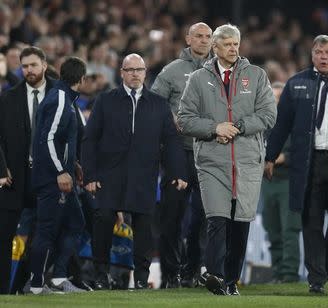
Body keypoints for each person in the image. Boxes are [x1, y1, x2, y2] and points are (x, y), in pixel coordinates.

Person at [178, 24, 277, 296]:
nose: (234, 48)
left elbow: (269, 114)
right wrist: (214, 128)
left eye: (236, 44)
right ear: (215, 47)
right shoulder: (198, 79)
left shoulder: (256, 76)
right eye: (228, 44)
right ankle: (216, 276)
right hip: (211, 161)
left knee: (240, 222)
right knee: (217, 219)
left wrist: (238, 127)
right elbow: (184, 120)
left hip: (246, 161)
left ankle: (231, 280)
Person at [82, 53, 188, 290]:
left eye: (138, 70)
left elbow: (171, 140)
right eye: (129, 70)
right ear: (121, 73)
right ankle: (100, 275)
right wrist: (89, 175)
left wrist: (178, 172)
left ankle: (141, 278)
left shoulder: (159, 105)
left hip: (143, 175)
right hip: (109, 176)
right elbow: (89, 140)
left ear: (145, 73)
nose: (134, 74)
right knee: (103, 221)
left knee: (144, 228)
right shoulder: (105, 100)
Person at [265, 35, 328, 294]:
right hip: (307, 162)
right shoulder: (296, 84)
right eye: (318, 52)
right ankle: (316, 279)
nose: (324, 56)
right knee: (311, 221)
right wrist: (270, 157)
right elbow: (281, 125)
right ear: (312, 55)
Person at [151, 22, 213, 288]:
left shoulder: (221, 70)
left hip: (210, 152)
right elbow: (153, 105)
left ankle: (192, 271)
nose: (203, 40)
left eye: (208, 37)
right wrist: (170, 119)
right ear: (188, 39)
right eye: (198, 36)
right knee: (172, 216)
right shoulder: (172, 71)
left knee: (204, 215)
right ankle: (171, 275)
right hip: (178, 153)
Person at [28, 56, 87, 294]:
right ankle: (35, 285)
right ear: (81, 79)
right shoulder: (61, 100)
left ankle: (59, 277)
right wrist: (61, 171)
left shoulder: (62, 97)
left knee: (75, 222)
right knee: (46, 229)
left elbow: (58, 139)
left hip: (60, 175)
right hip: (53, 178)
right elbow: (48, 139)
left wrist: (72, 164)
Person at [0, 46, 54, 294]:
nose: (29, 70)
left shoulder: (60, 93)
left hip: (48, 179)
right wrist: (2, 169)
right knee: (4, 237)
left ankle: (30, 285)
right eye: (24, 66)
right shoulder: (8, 97)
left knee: (46, 236)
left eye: (33, 65)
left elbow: (73, 134)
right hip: (14, 180)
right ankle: (3, 292)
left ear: (44, 64)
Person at [261, 81, 302, 284]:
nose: (276, 102)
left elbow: (304, 151)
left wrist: (281, 157)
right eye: (273, 98)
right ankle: (277, 272)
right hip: (267, 183)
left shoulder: (297, 123)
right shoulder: (263, 123)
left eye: (279, 98)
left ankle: (289, 275)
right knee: (272, 230)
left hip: (288, 182)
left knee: (289, 231)